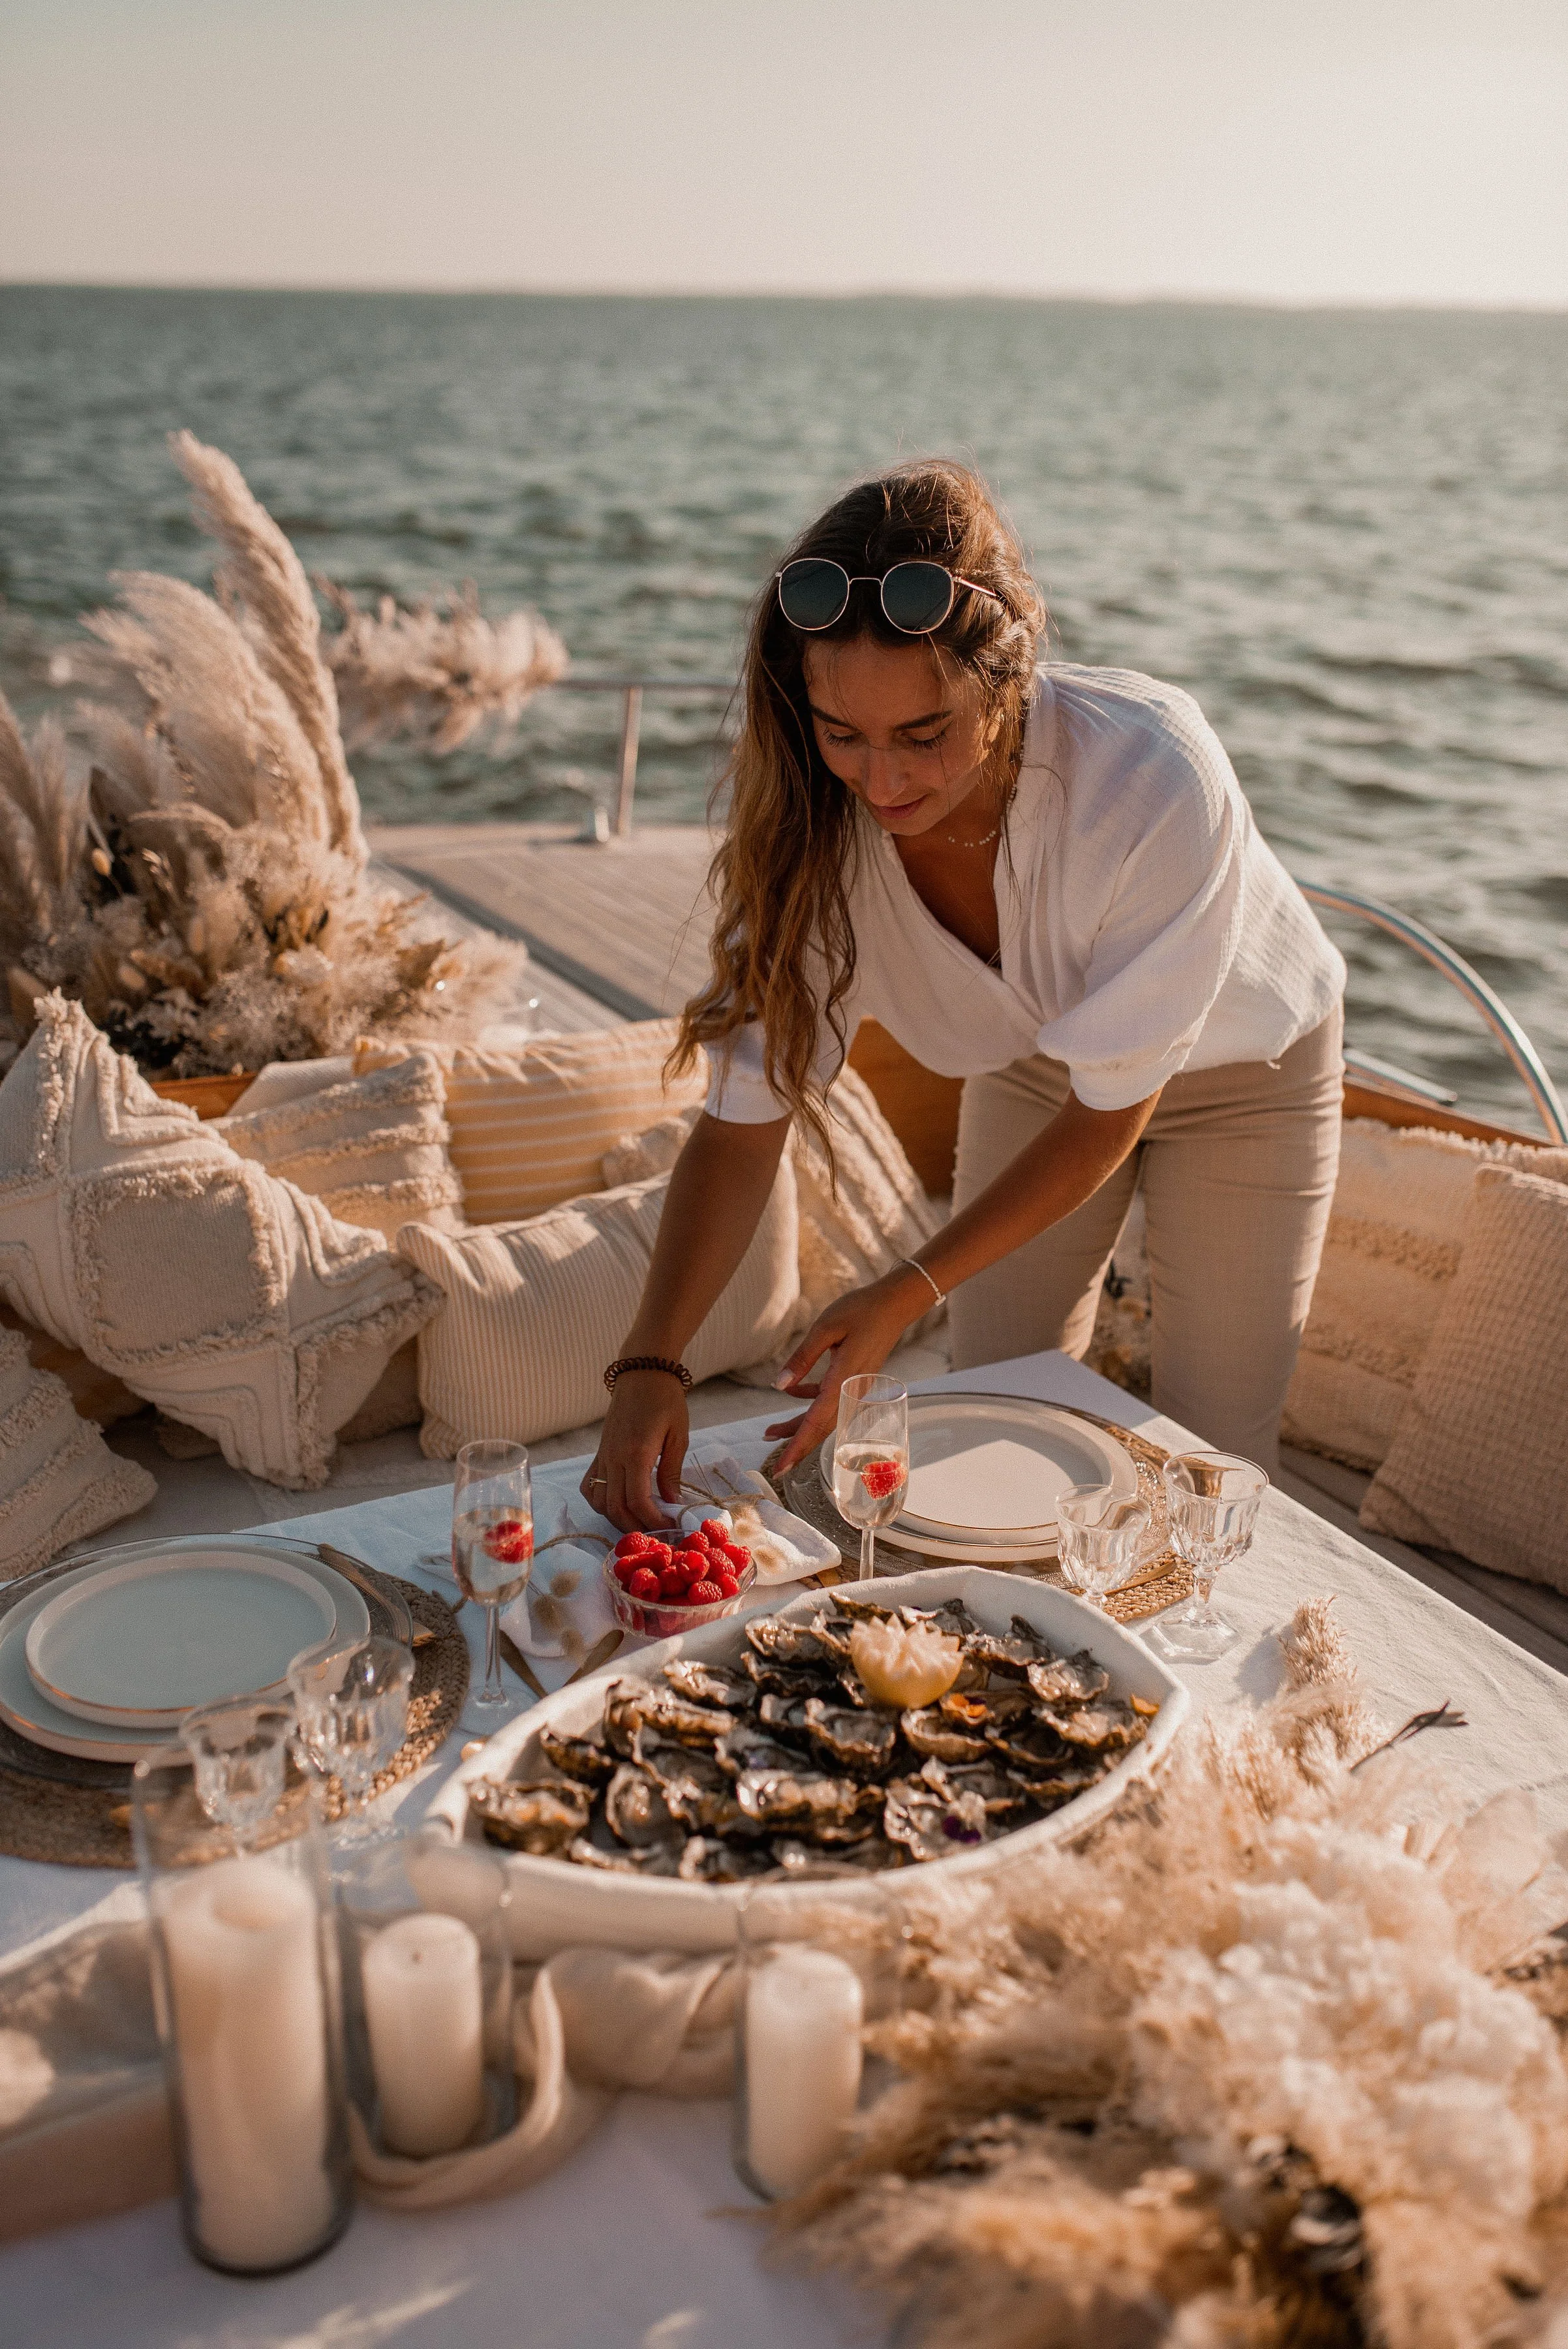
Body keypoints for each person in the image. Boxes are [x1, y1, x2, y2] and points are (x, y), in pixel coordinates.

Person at [582, 459, 1344, 1531]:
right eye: (840, 733)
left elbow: (1109, 1111)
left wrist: (901, 1290)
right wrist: (648, 1366)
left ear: (1010, 677)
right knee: (996, 1407)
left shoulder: (1151, 771)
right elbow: (743, 1125)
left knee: (1212, 1455)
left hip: (1246, 1076)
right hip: (1036, 1064)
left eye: (923, 734)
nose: (881, 783)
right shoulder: (809, 840)